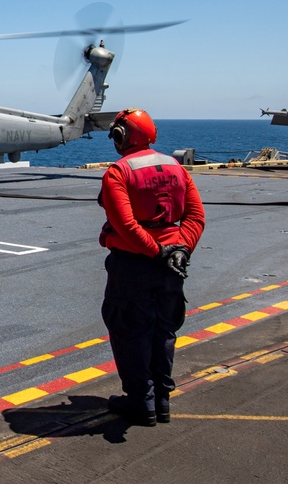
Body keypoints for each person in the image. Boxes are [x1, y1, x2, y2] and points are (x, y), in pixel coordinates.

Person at [97, 108, 206, 427]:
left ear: (121, 136)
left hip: (133, 266)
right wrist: (180, 251)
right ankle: (162, 400)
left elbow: (126, 225)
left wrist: (156, 252)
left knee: (130, 330)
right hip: (173, 265)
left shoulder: (118, 172)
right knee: (163, 331)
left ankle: (141, 401)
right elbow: (196, 217)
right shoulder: (176, 167)